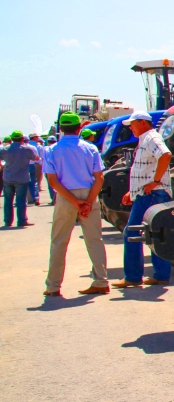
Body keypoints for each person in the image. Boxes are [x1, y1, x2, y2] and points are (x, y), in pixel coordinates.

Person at [43, 113, 108, 297]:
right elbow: (99, 178)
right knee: (94, 239)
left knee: (59, 241)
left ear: (61, 129)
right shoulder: (90, 149)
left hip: (66, 196)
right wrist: (86, 202)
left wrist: (74, 201)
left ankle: (53, 286)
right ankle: (101, 280)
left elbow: (53, 181)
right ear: (79, 127)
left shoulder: (51, 150)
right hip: (89, 193)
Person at [115, 112, 172, 288]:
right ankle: (161, 274)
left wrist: (155, 182)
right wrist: (132, 192)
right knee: (156, 233)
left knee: (131, 233)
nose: (130, 128)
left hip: (151, 194)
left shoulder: (151, 138)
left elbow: (165, 155)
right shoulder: (147, 138)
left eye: (132, 124)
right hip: (149, 193)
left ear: (142, 123)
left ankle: (132, 277)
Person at [2, 131, 39, 228]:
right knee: (21, 201)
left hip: (8, 177)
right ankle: (22, 220)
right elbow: (35, 158)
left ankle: (7, 221)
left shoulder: (5, 149)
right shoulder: (27, 149)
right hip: (21, 178)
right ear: (22, 139)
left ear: (11, 139)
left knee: (8, 200)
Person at [28, 134, 45, 205]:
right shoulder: (38, 146)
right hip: (37, 164)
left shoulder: (26, 146)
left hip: (27, 165)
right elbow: (41, 156)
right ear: (34, 138)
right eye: (37, 137)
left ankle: (29, 198)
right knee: (36, 182)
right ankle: (36, 197)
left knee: (28, 182)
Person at [43, 135, 58, 204]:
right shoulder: (59, 148)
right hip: (59, 169)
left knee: (51, 185)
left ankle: (53, 199)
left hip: (48, 170)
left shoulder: (46, 149)